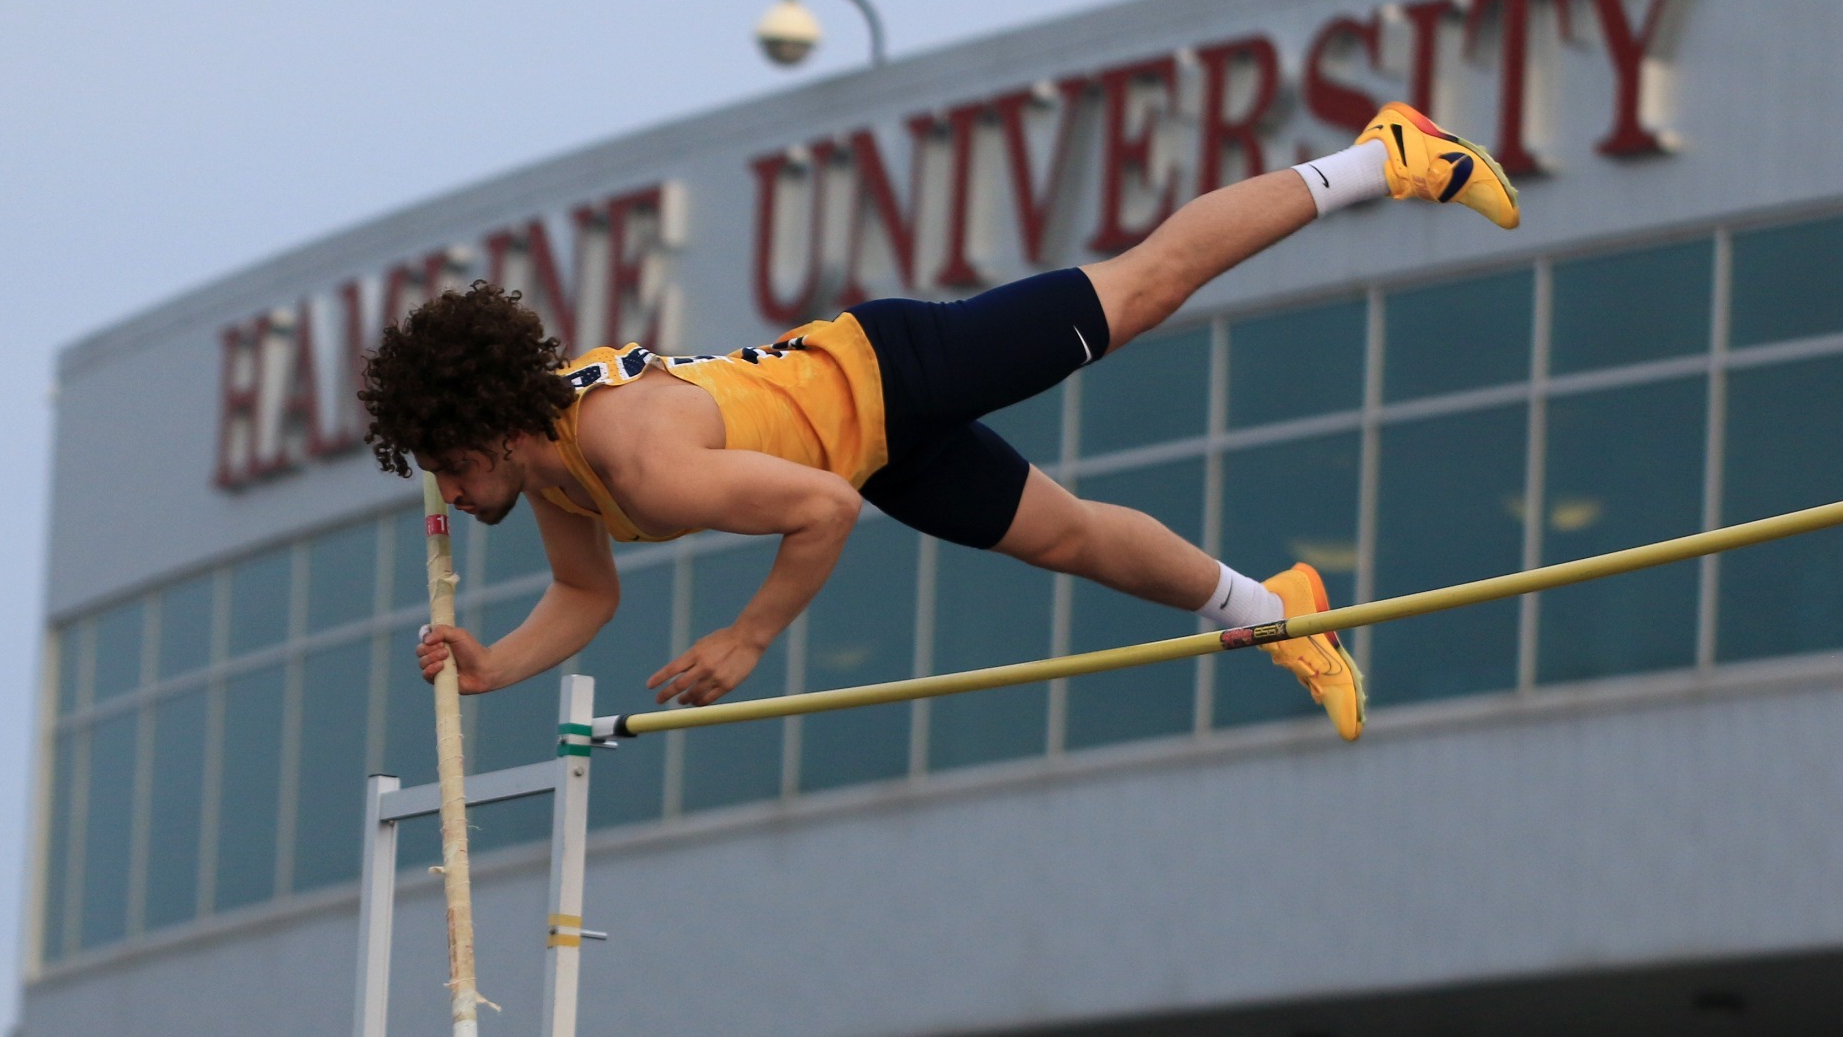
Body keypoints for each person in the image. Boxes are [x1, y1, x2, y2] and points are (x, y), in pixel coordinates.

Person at [368, 102, 1519, 743]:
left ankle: (1386, 159)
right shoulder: (557, 470)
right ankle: (1279, 611)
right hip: (871, 445)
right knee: (1070, 539)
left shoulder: (630, 461)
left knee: (1147, 284)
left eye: (448, 473)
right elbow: (585, 596)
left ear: (484, 431)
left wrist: (746, 639)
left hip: (894, 371)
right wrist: (494, 667)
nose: (454, 501)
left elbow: (818, 513)